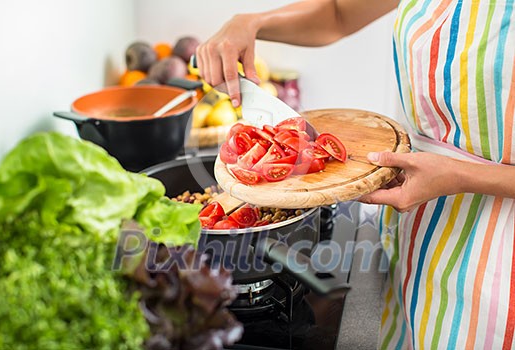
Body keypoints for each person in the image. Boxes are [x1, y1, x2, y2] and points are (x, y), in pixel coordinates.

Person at [196, 0, 515, 348]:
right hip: (417, 226)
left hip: (496, 252)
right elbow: (338, 13)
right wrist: (252, 21)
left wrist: (462, 174)